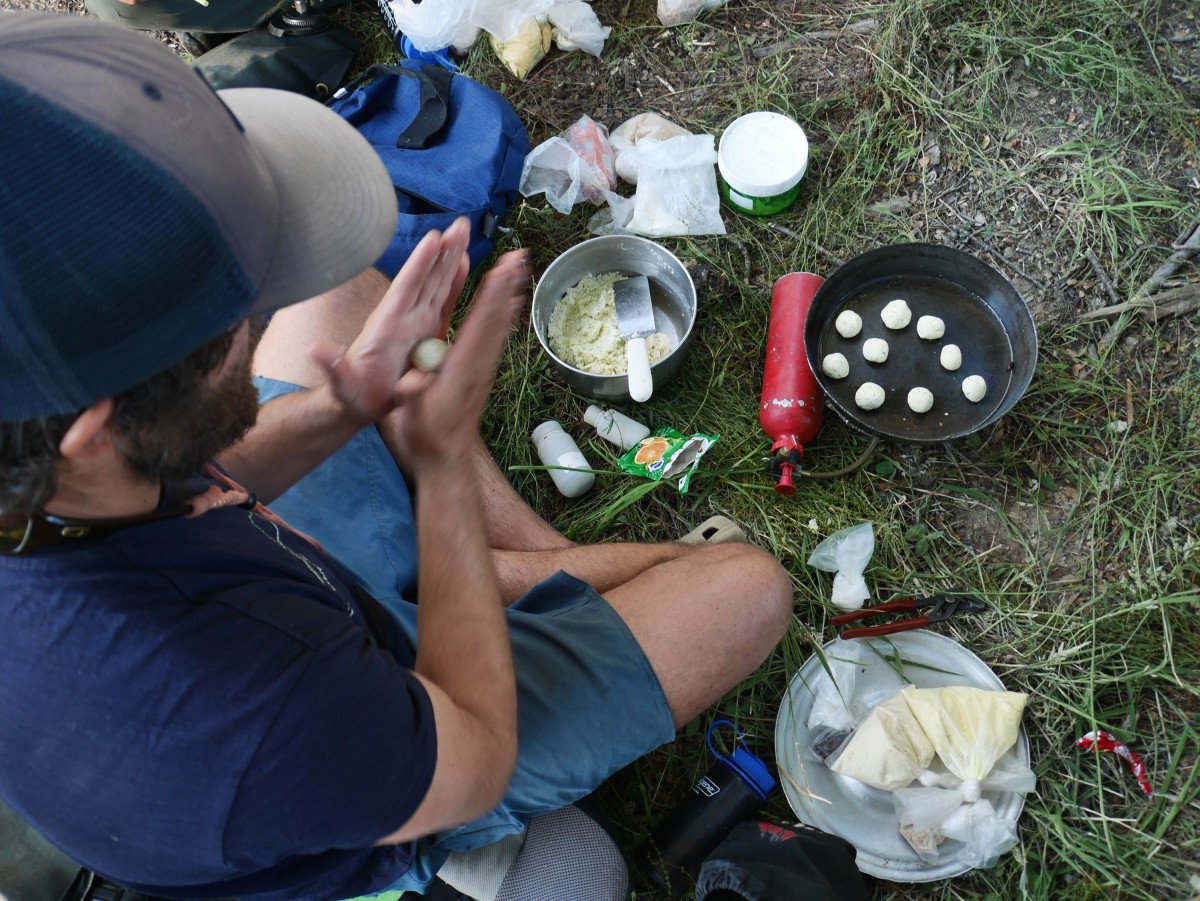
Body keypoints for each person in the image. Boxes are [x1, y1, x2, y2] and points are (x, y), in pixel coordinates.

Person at [0, 12, 793, 901]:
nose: (260, 319)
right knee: (747, 589)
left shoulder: (48, 466)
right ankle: (502, 583)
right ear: (94, 429)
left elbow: (165, 481)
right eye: (236, 322)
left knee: (330, 293)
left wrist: (350, 402)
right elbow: (476, 752)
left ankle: (524, 573)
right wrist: (445, 467)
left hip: (264, 614)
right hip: (397, 759)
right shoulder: (239, 712)